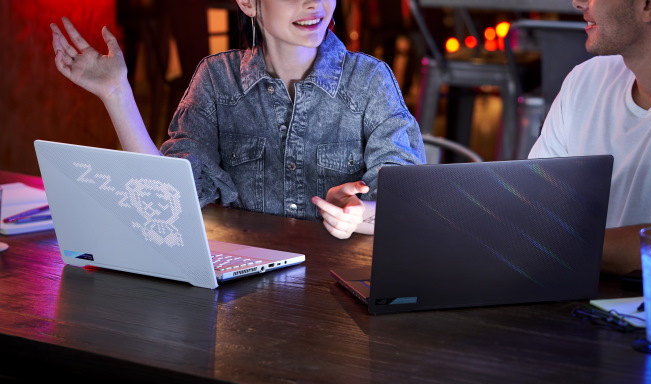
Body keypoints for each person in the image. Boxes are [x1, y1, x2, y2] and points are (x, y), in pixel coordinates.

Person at [49, 0, 425, 240]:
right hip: (244, 289)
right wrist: (116, 92)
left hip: (342, 288)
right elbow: (169, 196)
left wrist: (359, 215)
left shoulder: (370, 80)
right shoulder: (216, 79)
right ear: (248, 2)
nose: (314, 4)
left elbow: (408, 198)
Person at [528, 0, 651, 274]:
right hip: (571, 297)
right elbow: (533, 212)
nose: (578, 3)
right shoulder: (585, 80)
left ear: (650, 5)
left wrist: (555, 244)